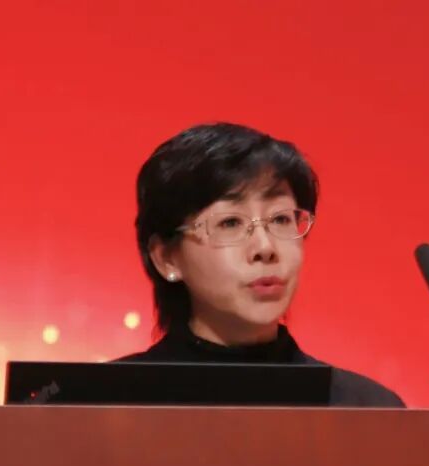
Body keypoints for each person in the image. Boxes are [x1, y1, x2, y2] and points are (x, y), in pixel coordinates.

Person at [117, 122, 405, 408]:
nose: (265, 248)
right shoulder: (110, 406)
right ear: (166, 258)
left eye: (280, 219)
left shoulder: (365, 409)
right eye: (230, 223)